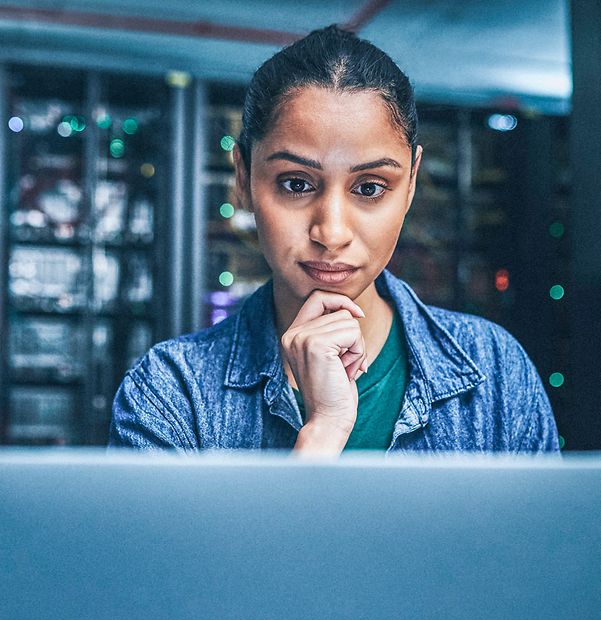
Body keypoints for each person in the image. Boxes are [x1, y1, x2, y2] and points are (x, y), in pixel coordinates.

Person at [109, 25, 559, 454]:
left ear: (412, 183)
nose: (332, 233)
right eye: (296, 183)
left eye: (369, 188)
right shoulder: (172, 393)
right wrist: (323, 432)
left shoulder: (495, 372)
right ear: (243, 178)